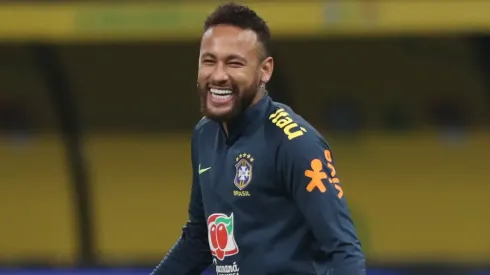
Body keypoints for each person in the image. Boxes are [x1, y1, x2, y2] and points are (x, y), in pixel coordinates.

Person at [151, 3, 366, 275]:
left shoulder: (295, 143)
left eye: (234, 63)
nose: (218, 75)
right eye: (209, 60)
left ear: (265, 70)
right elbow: (200, 238)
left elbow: (344, 249)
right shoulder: (204, 135)